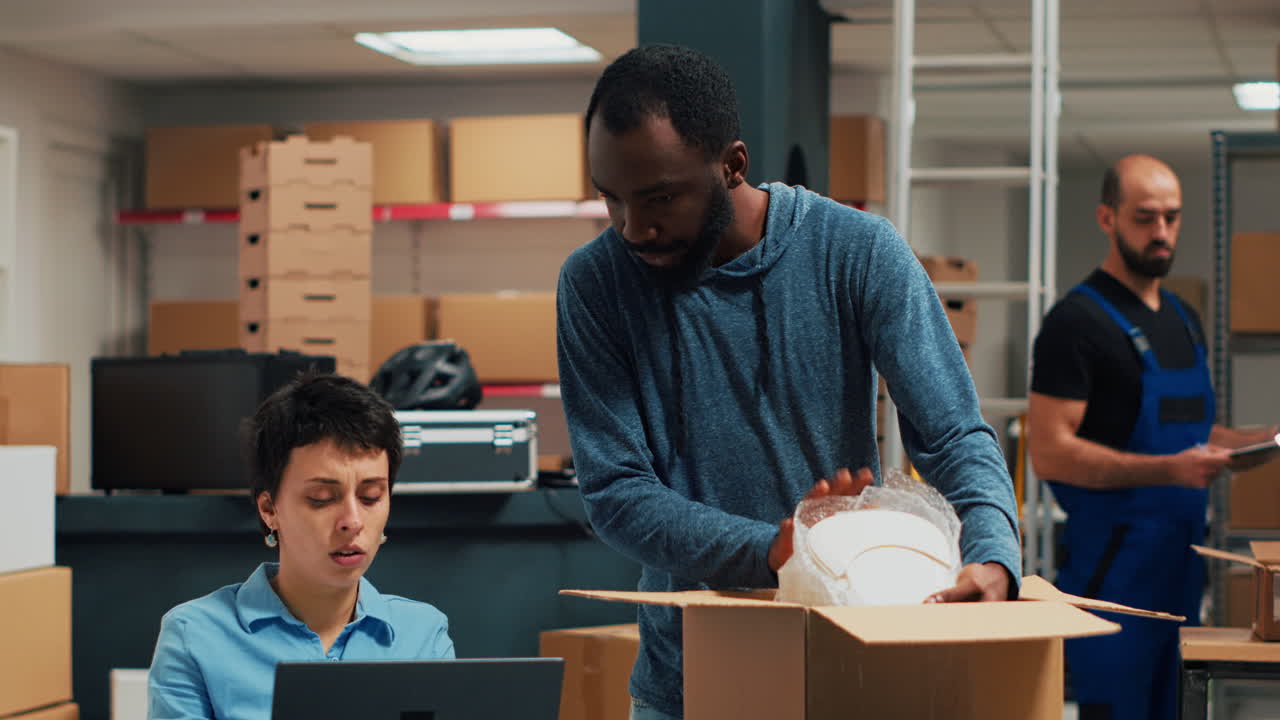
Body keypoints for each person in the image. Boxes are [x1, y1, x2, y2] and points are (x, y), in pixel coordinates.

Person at [556, 44, 1022, 720]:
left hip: (848, 667)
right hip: (689, 682)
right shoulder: (596, 284)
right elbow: (617, 492)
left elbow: (952, 435)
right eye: (611, 198)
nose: (634, 228)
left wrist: (993, 554)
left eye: (660, 198)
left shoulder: (856, 252)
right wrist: (770, 551)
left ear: (732, 165)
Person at [1028, 154, 1276, 720]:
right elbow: (1050, 452)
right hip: (1112, 579)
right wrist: (1169, 469)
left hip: (1179, 573)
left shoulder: (1184, 318)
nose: (1161, 231)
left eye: (1172, 216)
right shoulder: (1075, 324)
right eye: (1144, 217)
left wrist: (1257, 441)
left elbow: (1193, 433)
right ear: (1107, 218)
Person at [147, 372, 454, 720]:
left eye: (371, 496)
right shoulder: (195, 635)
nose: (352, 521)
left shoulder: (422, 634)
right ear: (269, 509)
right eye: (321, 498)